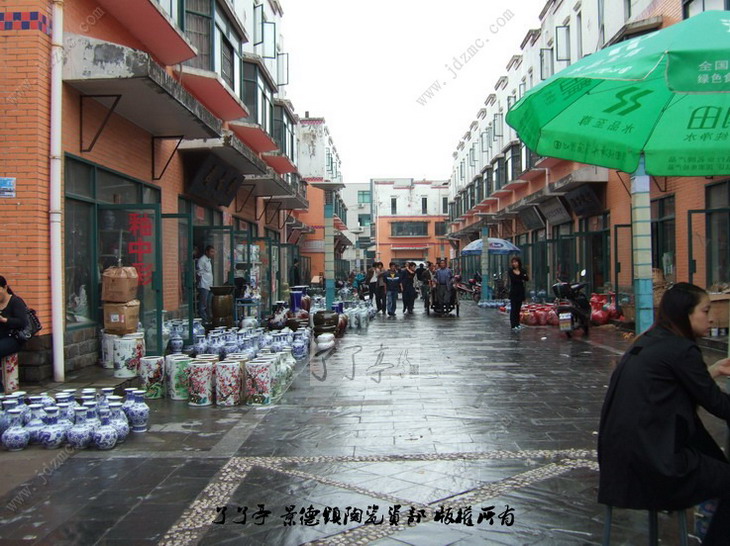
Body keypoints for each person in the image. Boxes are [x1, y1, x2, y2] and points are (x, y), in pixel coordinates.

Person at [598, 283, 730, 545]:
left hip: (619, 463)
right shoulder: (682, 350)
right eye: (705, 311)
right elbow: (719, 405)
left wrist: (712, 371)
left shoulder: (648, 341)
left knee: (714, 463)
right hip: (654, 466)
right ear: (685, 314)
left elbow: (674, 388)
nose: (711, 318)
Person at [0, 276, 29, 392]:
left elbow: (22, 322)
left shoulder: (16, 301)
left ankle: (0, 390)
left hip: (14, 338)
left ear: (5, 287)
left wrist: (4, 320)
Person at [507, 256, 529, 331]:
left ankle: (517, 323)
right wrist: (521, 279)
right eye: (513, 262)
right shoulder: (510, 271)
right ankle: (513, 325)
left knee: (518, 309)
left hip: (520, 291)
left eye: (516, 262)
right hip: (514, 292)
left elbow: (526, 278)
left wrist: (522, 278)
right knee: (513, 309)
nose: (514, 263)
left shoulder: (522, 270)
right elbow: (514, 280)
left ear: (519, 262)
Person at [197, 245, 214, 325]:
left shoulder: (208, 261)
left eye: (213, 252)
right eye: (211, 252)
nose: (213, 253)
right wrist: (198, 284)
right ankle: (204, 320)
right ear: (207, 252)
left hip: (209, 285)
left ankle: (208, 319)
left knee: (208, 304)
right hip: (204, 285)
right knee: (203, 304)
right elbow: (199, 273)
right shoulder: (202, 260)